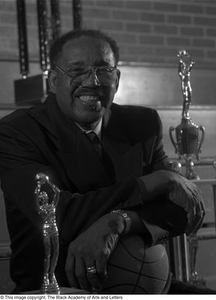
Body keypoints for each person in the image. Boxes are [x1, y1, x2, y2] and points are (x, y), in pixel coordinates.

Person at [0, 29, 214, 294]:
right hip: (58, 288)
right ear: (54, 81)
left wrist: (120, 221)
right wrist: (154, 183)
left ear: (117, 78)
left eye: (104, 70)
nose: (93, 81)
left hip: (147, 282)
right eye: (77, 71)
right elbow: (59, 216)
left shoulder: (141, 126)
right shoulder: (18, 132)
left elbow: (184, 211)